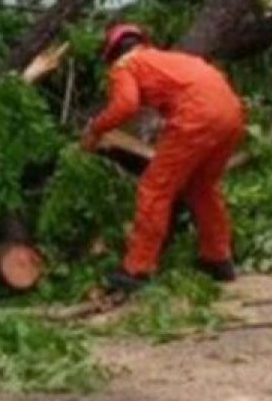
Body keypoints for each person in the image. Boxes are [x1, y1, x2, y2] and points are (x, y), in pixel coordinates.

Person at [81, 23, 246, 292]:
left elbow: (125, 105)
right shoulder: (168, 59)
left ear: (111, 53)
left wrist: (96, 129)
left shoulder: (126, 66)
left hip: (197, 116)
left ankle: (137, 269)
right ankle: (219, 259)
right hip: (232, 114)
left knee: (154, 189)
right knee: (202, 188)